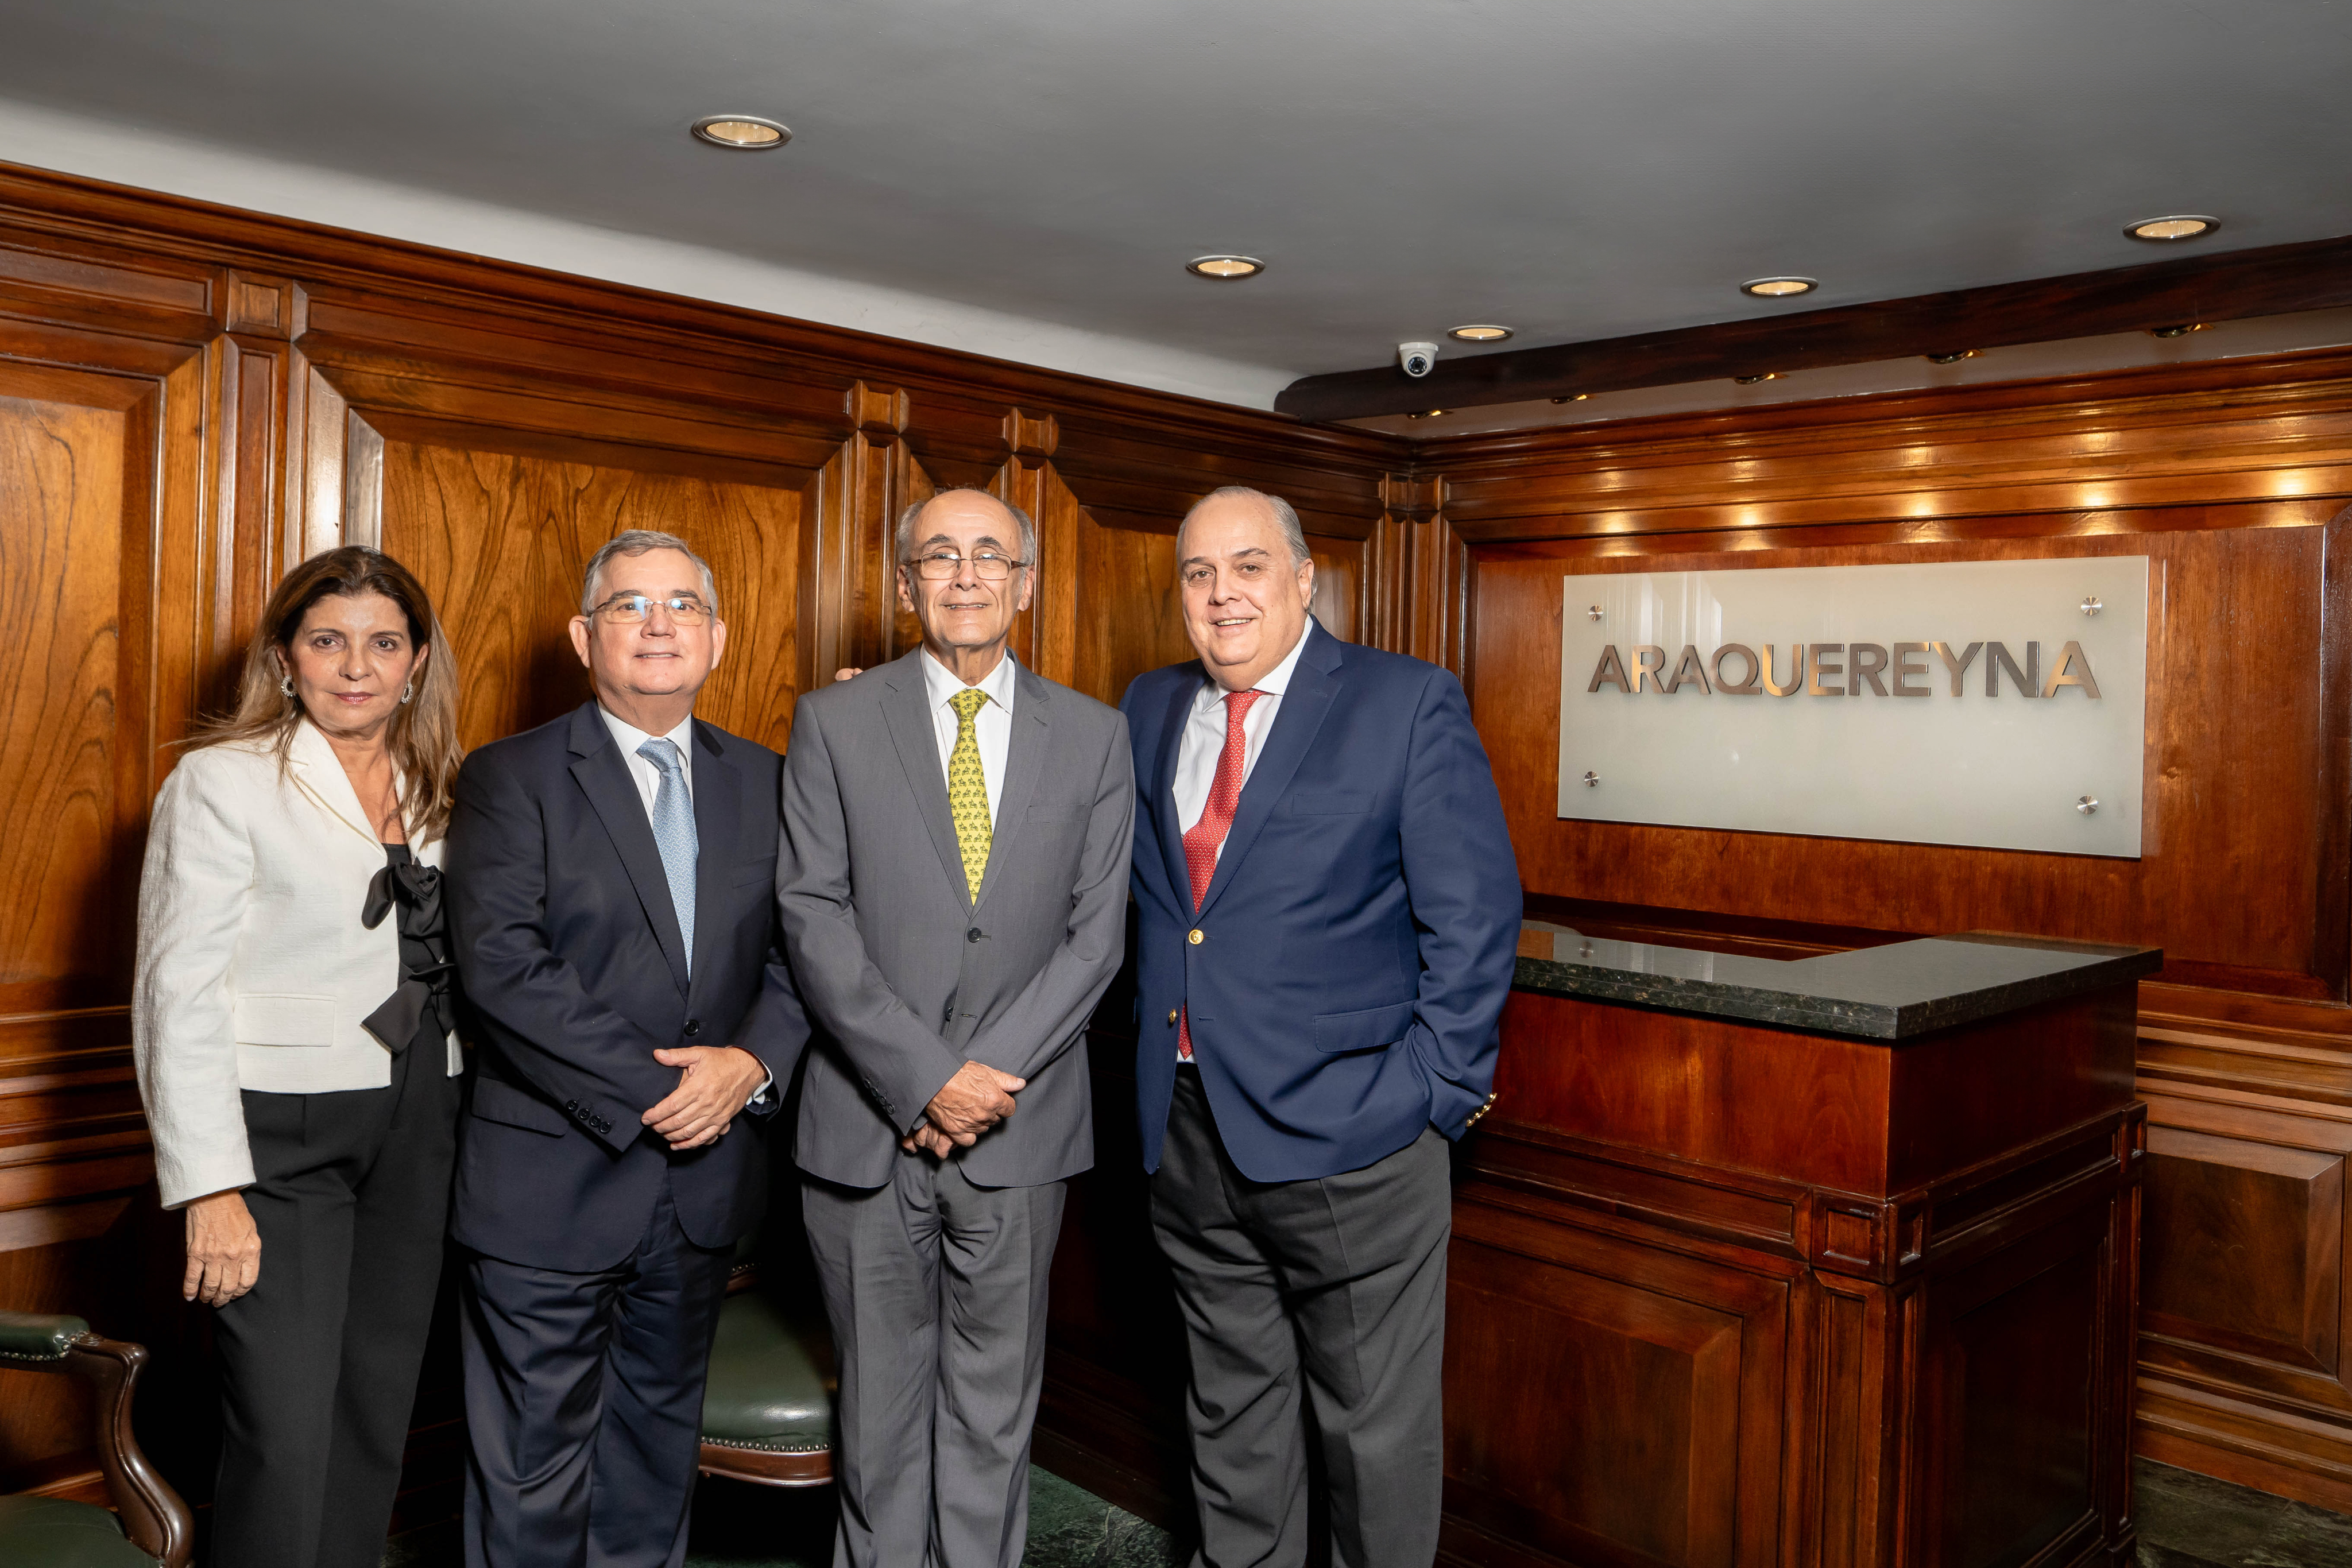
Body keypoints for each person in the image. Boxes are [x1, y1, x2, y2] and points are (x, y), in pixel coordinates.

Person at [1120, 486, 1521, 1568]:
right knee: (1232, 1418)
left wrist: (1430, 1094)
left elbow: (1476, 919)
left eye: (1248, 566)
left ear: (1305, 580)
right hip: (1190, 1129)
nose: (1221, 594)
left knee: (1372, 1437)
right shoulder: (1147, 707)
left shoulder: (1405, 703)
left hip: (1359, 1138)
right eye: (1199, 573)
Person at [778, 487, 1134, 1568]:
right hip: (863, 1128)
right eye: (942, 556)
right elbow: (812, 914)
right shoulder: (833, 718)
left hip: (1021, 1133)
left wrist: (981, 1080)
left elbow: (1096, 941)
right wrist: (927, 1080)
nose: (968, 575)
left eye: (992, 557)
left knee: (994, 1412)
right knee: (879, 1413)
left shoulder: (1096, 733)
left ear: (1025, 586)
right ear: (905, 586)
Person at [446, 529, 807, 1568]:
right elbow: (506, 968)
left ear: (719, 637)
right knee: (529, 1473)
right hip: (551, 1182)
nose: (659, 625)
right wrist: (671, 1091)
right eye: (630, 606)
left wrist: (748, 1067)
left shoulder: (772, 781)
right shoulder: (511, 777)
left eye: (683, 605)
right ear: (583, 635)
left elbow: (805, 951)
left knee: (654, 1459)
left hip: (703, 1191)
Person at [131, 545, 467, 1568]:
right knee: (283, 1429)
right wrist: (210, 1188)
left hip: (422, 1120)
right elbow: (173, 992)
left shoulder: (446, 783)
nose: (355, 666)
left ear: (415, 662)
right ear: (286, 658)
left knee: (374, 1408)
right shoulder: (221, 782)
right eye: (328, 641)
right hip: (278, 1132)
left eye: (382, 643)